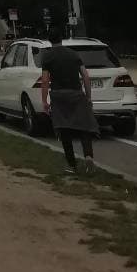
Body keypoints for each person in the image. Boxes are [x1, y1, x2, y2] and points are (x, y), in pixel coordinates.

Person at [40, 27, 98, 174]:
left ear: (49, 40)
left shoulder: (47, 57)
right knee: (85, 126)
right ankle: (88, 156)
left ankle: (71, 165)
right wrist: (88, 96)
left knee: (63, 129)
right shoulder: (73, 54)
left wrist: (44, 101)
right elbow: (85, 75)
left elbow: (45, 80)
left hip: (58, 96)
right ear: (61, 39)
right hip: (76, 94)